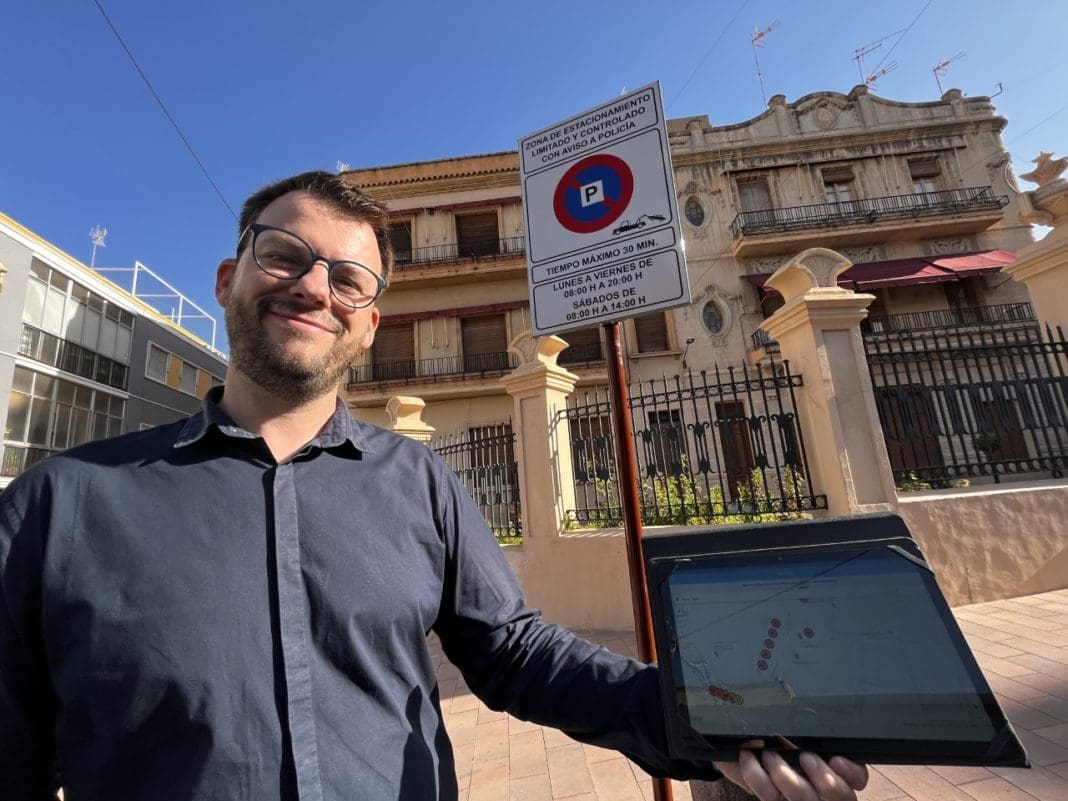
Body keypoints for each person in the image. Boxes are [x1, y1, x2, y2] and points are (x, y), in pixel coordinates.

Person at [0, 171, 868, 801]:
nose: (314, 287)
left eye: (348, 279)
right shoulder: (57, 506)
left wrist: (703, 717)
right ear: (229, 280)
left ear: (369, 324)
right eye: (284, 255)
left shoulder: (418, 481)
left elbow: (517, 653)